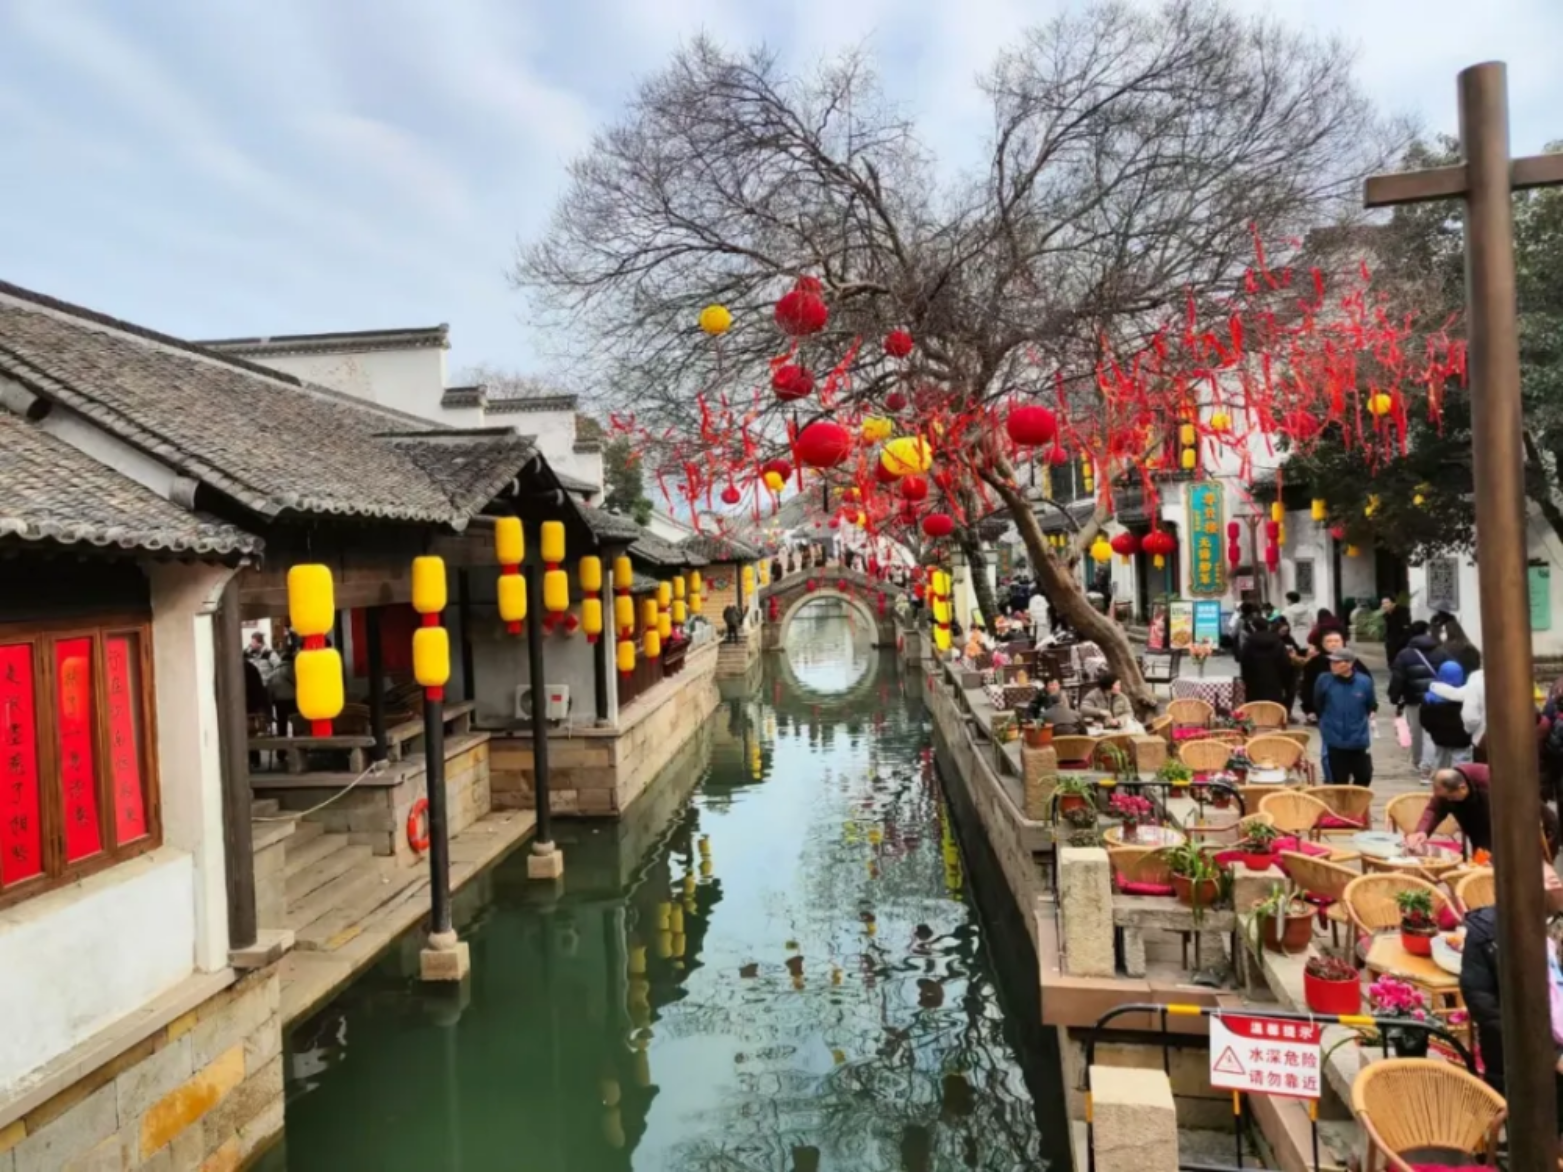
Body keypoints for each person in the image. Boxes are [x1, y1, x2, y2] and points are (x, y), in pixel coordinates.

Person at [1459, 863, 1563, 1120]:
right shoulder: (1487, 934)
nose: (1558, 887)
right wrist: (1551, 1054)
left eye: (1557, 880)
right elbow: (1484, 1007)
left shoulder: (1556, 926)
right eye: (1551, 883)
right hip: (1518, 1054)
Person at [1389, 620, 1449, 779]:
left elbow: (1397, 678)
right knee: (1430, 732)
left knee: (1416, 731)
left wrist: (1394, 697)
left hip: (1413, 699)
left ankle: (1418, 762)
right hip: (1436, 698)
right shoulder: (1441, 652)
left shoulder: (1404, 654)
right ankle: (1429, 764)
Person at [1315, 648, 1378, 786]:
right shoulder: (1324, 680)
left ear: (1350, 663)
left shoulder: (1364, 681)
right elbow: (1318, 704)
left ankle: (1356, 800)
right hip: (1334, 738)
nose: (1333, 665)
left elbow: (1370, 705)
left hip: (1358, 738)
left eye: (1337, 662)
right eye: (1331, 662)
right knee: (1339, 781)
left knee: (1364, 776)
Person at [1300, 629, 1369, 724]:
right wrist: (1310, 709)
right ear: (1322, 644)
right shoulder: (1314, 663)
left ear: (1343, 643)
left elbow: (1366, 684)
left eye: (1337, 641)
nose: (1333, 644)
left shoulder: (1353, 661)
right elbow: (1307, 687)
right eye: (1329, 641)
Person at [1430, 645, 1486, 754]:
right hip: (1472, 740)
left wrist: (1433, 687)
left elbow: (1470, 718)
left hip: (1481, 741)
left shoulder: (1476, 680)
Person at [1420, 660, 1474, 772]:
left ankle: (1441, 780)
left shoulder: (1431, 697)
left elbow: (1424, 720)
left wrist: (1434, 731)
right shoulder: (1468, 695)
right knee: (1461, 769)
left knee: (1440, 765)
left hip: (1440, 739)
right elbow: (1472, 717)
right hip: (1462, 741)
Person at [1240, 617, 1294, 708]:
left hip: (1254, 685)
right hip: (1274, 684)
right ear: (1268, 626)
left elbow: (1244, 663)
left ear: (1254, 627)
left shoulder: (1249, 643)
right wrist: (1285, 684)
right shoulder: (1278, 642)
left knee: (1254, 710)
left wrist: (1246, 680)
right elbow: (1285, 664)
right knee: (1273, 710)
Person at [1382, 596, 1410, 662]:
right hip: (1390, 642)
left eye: (1386, 603)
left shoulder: (1402, 611)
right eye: (1383, 603)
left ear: (1393, 603)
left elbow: (1405, 628)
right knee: (1391, 660)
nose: (1384, 605)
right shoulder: (1386, 614)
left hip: (1401, 642)